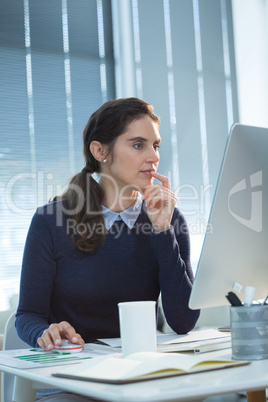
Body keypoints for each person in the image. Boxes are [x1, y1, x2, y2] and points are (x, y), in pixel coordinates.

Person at [16, 97, 200, 401]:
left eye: (156, 145)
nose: (153, 157)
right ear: (101, 152)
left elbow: (182, 322)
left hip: (141, 374)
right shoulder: (51, 221)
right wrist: (45, 332)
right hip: (71, 380)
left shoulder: (168, 218)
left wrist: (162, 229)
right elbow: (27, 315)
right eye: (138, 145)